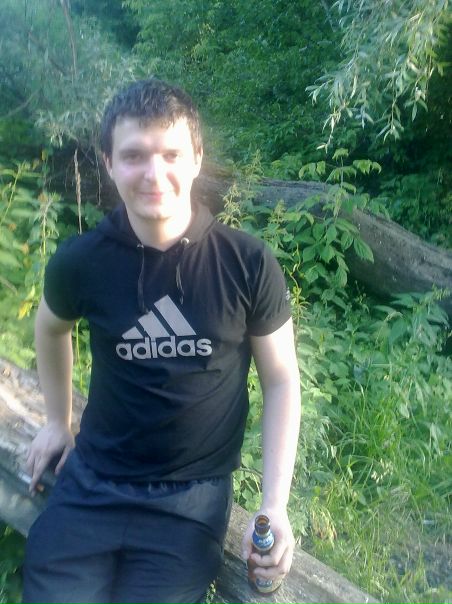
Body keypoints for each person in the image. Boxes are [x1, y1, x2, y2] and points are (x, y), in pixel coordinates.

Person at [22, 77, 301, 604]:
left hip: (189, 502)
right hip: (91, 483)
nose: (154, 174)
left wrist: (275, 505)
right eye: (134, 156)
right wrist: (57, 421)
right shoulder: (81, 261)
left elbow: (282, 379)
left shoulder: (246, 263)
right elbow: (52, 326)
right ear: (108, 163)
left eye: (171, 154)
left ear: (197, 158)